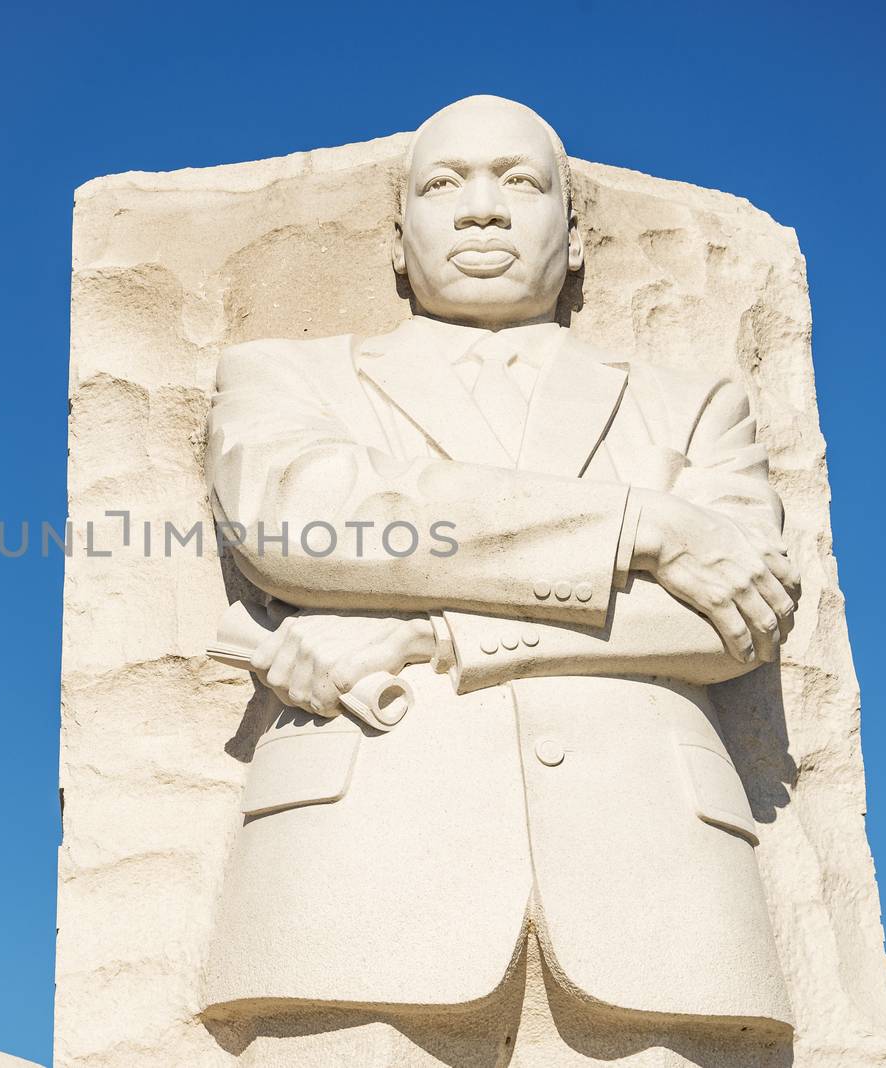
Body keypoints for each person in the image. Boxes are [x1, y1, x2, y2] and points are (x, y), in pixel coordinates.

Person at [202, 95, 800, 1068]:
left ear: (574, 242)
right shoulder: (286, 378)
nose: (482, 208)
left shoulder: (691, 404)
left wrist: (432, 635)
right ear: (396, 244)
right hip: (351, 877)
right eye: (444, 185)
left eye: (520, 183)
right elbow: (304, 523)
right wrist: (641, 525)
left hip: (659, 886)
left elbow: (738, 618)